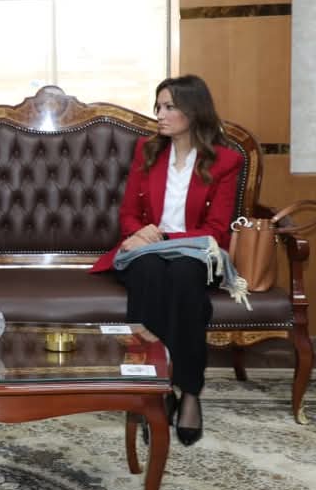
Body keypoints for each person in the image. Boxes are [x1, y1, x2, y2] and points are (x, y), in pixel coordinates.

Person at [91, 75, 242, 446]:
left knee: (185, 275)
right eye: (158, 106)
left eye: (169, 107)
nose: (160, 114)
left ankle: (188, 391)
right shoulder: (147, 151)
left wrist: (162, 237)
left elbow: (216, 231)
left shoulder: (225, 161)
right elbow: (128, 214)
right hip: (147, 253)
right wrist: (140, 233)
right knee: (150, 271)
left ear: (194, 110)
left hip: (197, 253)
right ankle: (153, 390)